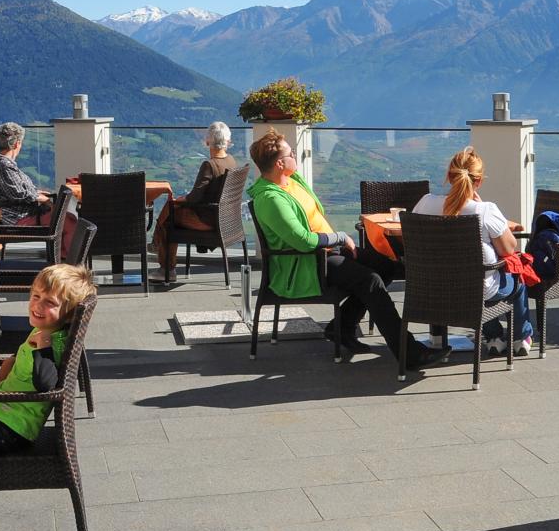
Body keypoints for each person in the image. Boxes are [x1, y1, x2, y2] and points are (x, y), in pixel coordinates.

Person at [246, 128, 447, 369]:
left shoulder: (291, 180)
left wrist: (336, 242)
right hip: (306, 262)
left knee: (386, 266)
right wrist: (339, 237)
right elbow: (302, 241)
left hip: (327, 251)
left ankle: (342, 327)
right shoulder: (271, 199)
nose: (295, 156)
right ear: (280, 164)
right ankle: (409, 353)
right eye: (291, 154)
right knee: (370, 281)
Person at [0, 263, 94, 453]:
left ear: (70, 315)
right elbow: (18, 361)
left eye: (50, 302)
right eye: (36, 296)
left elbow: (46, 385)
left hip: (8, 429)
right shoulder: (44, 330)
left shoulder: (54, 343)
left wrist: (44, 347)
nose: (38, 305)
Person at [412, 148, 533, 358]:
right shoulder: (484, 210)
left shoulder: (425, 203)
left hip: (432, 290)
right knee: (516, 282)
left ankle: (495, 338)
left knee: (483, 282)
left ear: (449, 176)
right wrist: (481, 205)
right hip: (476, 292)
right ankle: (519, 338)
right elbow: (509, 248)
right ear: (479, 181)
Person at [153, 121, 242, 282]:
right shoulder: (231, 161)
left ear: (207, 142)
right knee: (172, 207)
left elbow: (195, 198)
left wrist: (180, 200)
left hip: (207, 219)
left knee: (169, 217)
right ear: (228, 141)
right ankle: (156, 242)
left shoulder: (209, 165)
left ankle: (166, 267)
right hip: (226, 219)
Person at [0, 122, 51, 226]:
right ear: (16, 144)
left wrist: (35, 192)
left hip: (17, 213)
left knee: (66, 219)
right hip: (18, 216)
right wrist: (44, 199)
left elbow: (12, 189)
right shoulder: (4, 165)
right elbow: (19, 193)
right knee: (68, 221)